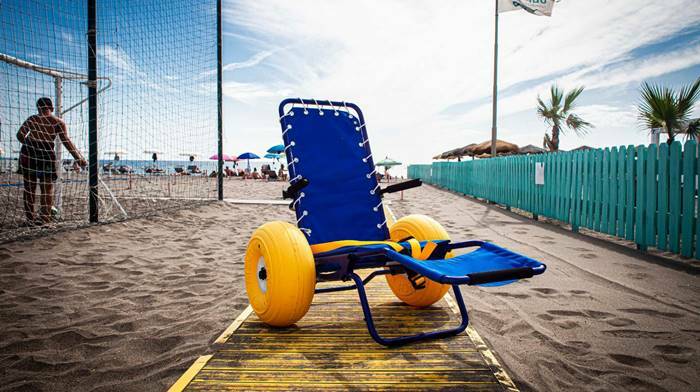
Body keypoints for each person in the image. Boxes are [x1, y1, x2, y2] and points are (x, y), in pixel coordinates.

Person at [17, 97, 86, 224]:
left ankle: (30, 220)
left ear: (38, 108)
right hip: (46, 153)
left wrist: (31, 145)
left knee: (29, 188)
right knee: (47, 189)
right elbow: (66, 141)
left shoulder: (32, 119)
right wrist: (78, 158)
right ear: (52, 108)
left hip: (28, 152)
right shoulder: (57, 122)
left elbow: (19, 135)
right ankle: (45, 219)